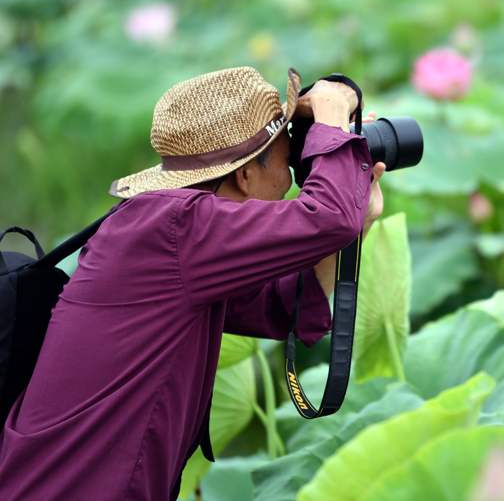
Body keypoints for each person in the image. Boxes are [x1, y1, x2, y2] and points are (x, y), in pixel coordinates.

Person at [0, 66, 385, 500]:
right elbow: (328, 217)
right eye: (286, 150)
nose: (294, 167)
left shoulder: (173, 240)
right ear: (243, 175)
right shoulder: (177, 225)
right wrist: (332, 119)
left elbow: (283, 307)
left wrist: (360, 216)